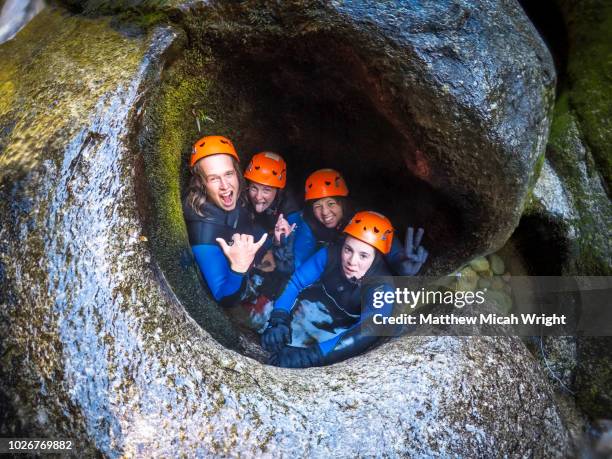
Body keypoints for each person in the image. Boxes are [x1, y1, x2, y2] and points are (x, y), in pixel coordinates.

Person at [262, 211, 398, 368]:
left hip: (344, 324)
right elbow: (296, 282)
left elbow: (367, 330)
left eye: (363, 256)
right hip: (318, 304)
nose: (352, 262)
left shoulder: (382, 287)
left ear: (377, 258)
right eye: (348, 249)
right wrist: (278, 319)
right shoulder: (330, 254)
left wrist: (312, 356)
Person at [276, 168, 429, 276]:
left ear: (342, 203)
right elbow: (301, 259)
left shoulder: (364, 219)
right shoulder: (311, 223)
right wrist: (288, 265)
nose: (325, 212)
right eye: (318, 206)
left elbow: (392, 250)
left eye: (331, 204)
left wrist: (401, 264)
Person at [183, 135, 268, 307]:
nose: (225, 185)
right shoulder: (203, 236)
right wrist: (239, 267)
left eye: (228, 174)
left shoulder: (235, 194)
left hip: (251, 253)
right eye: (214, 178)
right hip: (241, 280)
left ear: (237, 172)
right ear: (201, 183)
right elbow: (223, 298)